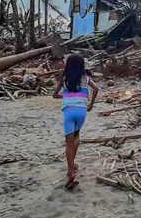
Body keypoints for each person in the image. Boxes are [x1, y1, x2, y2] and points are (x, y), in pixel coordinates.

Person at [53, 54, 99, 189]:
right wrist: (91, 104)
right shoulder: (86, 77)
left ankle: (71, 170)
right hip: (82, 111)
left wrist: (65, 95)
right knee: (76, 137)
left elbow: (54, 94)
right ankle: (73, 164)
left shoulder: (64, 78)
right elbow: (96, 89)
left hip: (69, 111)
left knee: (68, 142)